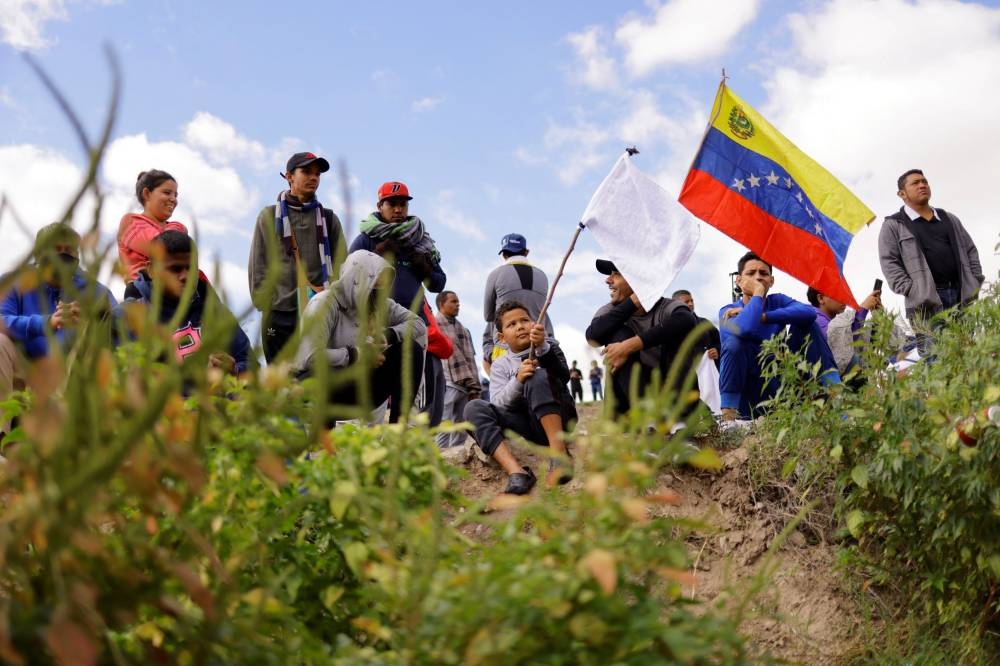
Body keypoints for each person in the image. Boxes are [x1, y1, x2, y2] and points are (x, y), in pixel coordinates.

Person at [2, 223, 116, 435]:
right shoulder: (16, 281)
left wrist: (95, 320)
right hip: (23, 373)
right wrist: (45, 323)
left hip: (71, 377)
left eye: (70, 250)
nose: (63, 255)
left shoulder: (96, 291)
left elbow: (122, 328)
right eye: (56, 249)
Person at [349, 181, 446, 425]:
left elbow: (438, 284)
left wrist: (424, 267)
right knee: (374, 390)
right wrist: (377, 259)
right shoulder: (365, 240)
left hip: (413, 325)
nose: (398, 209)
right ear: (380, 205)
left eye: (403, 203)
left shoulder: (419, 241)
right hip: (374, 325)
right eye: (392, 203)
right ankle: (369, 444)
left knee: (410, 390)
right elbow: (349, 282)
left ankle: (399, 441)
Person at [294, 251, 426, 424]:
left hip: (358, 388)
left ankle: (398, 433)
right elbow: (309, 356)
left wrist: (387, 335)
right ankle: (320, 431)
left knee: (410, 350)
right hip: (316, 387)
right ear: (355, 281)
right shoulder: (324, 303)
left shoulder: (377, 303)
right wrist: (357, 354)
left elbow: (418, 323)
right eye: (372, 287)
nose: (377, 295)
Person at [465, 301, 576, 495]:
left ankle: (559, 456)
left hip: (559, 421)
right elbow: (498, 403)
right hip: (527, 429)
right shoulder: (499, 365)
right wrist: (518, 381)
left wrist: (542, 348)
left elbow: (563, 376)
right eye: (512, 324)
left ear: (533, 323)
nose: (520, 326)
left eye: (524, 320)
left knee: (538, 376)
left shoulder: (550, 348)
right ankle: (517, 473)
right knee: (473, 408)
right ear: (502, 338)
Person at [719, 252, 841, 422]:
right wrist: (758, 294)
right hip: (748, 401)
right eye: (751, 273)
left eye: (763, 274)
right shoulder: (726, 311)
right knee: (734, 341)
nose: (758, 278)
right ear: (739, 281)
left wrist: (764, 316)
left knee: (807, 324)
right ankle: (728, 420)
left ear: (772, 281)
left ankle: (839, 403)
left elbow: (808, 313)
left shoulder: (778, 301)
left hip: (780, 389)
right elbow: (743, 330)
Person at [248, 152, 346, 363]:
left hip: (318, 313)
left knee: (316, 382)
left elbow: (343, 268)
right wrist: (268, 305)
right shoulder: (268, 216)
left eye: (317, 174)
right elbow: (258, 265)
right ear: (289, 176)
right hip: (279, 314)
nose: (313, 178)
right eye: (306, 172)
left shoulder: (329, 219)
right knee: (280, 383)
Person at [115, 230, 250, 377]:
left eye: (191, 268)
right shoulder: (125, 316)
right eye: (175, 269)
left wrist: (234, 370)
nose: (185, 276)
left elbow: (251, 365)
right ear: (152, 270)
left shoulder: (217, 313)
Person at [878, 169, 983, 353]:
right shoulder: (893, 225)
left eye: (924, 181)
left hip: (961, 298)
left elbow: (970, 250)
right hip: (926, 307)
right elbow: (889, 263)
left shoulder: (949, 219)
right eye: (916, 183)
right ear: (902, 194)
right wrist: (913, 291)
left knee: (967, 356)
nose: (922, 185)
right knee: (936, 362)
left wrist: (975, 281)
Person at [585, 259, 701, 416]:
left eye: (616, 274)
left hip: (669, 393)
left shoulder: (665, 307)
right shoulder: (610, 310)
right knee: (618, 334)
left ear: (637, 280)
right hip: (629, 402)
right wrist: (633, 301)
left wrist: (631, 345)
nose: (608, 280)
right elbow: (593, 337)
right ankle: (640, 420)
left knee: (676, 337)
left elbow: (687, 320)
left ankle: (684, 418)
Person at [481, 233, 552, 373]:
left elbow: (488, 316)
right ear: (526, 252)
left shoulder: (495, 275)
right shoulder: (542, 276)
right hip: (537, 345)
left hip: (507, 348)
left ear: (504, 254)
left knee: (509, 391)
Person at [118, 170, 188, 285]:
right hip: (143, 292)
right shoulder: (131, 222)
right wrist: (178, 227)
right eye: (167, 193)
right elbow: (164, 249)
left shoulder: (171, 227)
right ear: (147, 194)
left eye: (175, 195)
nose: (173, 199)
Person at [434, 290, 480, 448]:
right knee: (444, 422)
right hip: (446, 380)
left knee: (461, 426)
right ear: (442, 304)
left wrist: (475, 386)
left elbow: (471, 358)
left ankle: (455, 458)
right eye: (453, 301)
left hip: (466, 383)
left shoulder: (464, 329)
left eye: (458, 301)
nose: (457, 304)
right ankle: (439, 457)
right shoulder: (433, 324)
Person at [806, 286, 881, 376]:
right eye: (838, 293)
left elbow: (860, 345)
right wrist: (863, 309)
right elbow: (842, 345)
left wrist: (878, 317)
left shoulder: (833, 322)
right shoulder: (814, 318)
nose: (844, 299)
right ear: (821, 298)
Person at [671, 289, 721, 369]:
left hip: (709, 373)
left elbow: (721, 342)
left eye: (692, 301)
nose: (691, 304)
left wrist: (717, 350)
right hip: (685, 376)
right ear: (675, 305)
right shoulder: (670, 327)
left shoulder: (704, 323)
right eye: (686, 302)